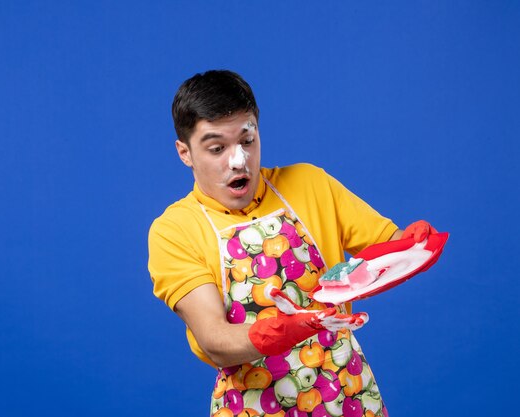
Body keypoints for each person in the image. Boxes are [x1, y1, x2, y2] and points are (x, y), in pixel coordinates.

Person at [148, 70, 435, 417]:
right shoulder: (175, 230)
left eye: (247, 140)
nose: (237, 160)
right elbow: (215, 340)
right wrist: (284, 331)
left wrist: (410, 245)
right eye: (216, 148)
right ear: (185, 153)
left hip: (347, 392)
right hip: (254, 405)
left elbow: (384, 252)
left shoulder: (308, 184)